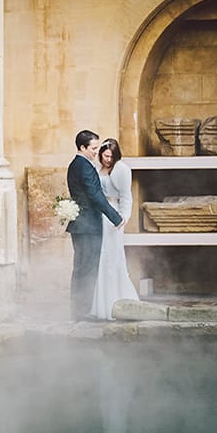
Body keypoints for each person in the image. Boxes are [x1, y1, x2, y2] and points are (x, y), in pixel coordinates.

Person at [66, 130, 123, 321]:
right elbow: (95, 195)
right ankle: (81, 312)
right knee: (87, 268)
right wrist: (115, 217)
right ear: (82, 147)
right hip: (88, 225)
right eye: (93, 148)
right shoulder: (84, 166)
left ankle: (78, 310)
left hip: (81, 225)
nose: (96, 152)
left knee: (81, 267)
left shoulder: (76, 164)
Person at [90, 138, 141, 320]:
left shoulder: (121, 169)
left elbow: (126, 195)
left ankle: (118, 300)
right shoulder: (96, 168)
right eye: (105, 156)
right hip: (98, 214)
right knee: (101, 256)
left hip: (113, 215)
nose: (108, 160)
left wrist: (124, 217)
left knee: (112, 256)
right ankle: (100, 304)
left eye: (111, 156)